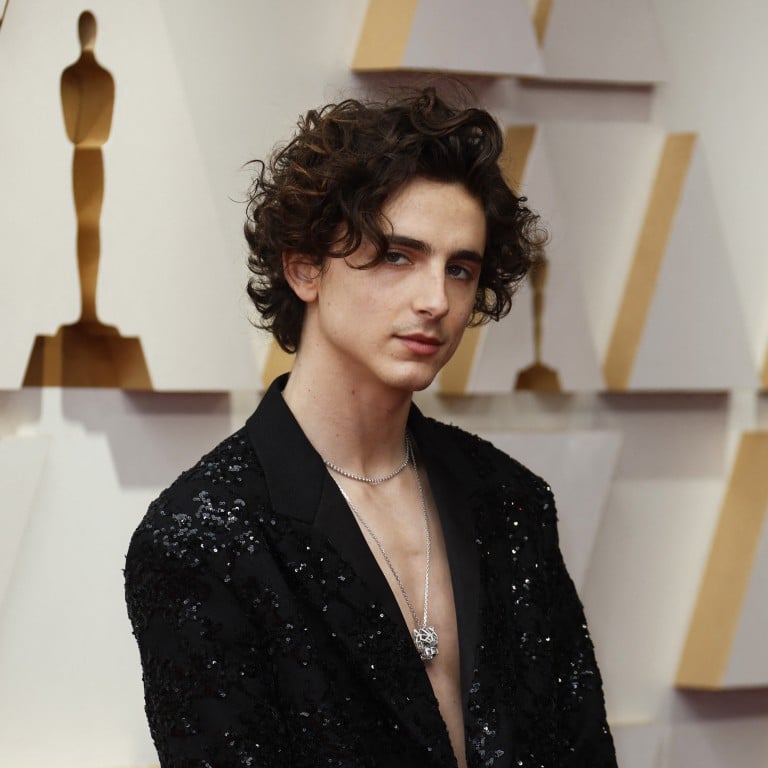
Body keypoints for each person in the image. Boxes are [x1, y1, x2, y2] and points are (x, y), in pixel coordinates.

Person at [125, 87, 617, 768]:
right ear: (304, 268)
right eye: (397, 256)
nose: (435, 300)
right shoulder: (203, 538)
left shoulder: (512, 503)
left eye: (461, 269)